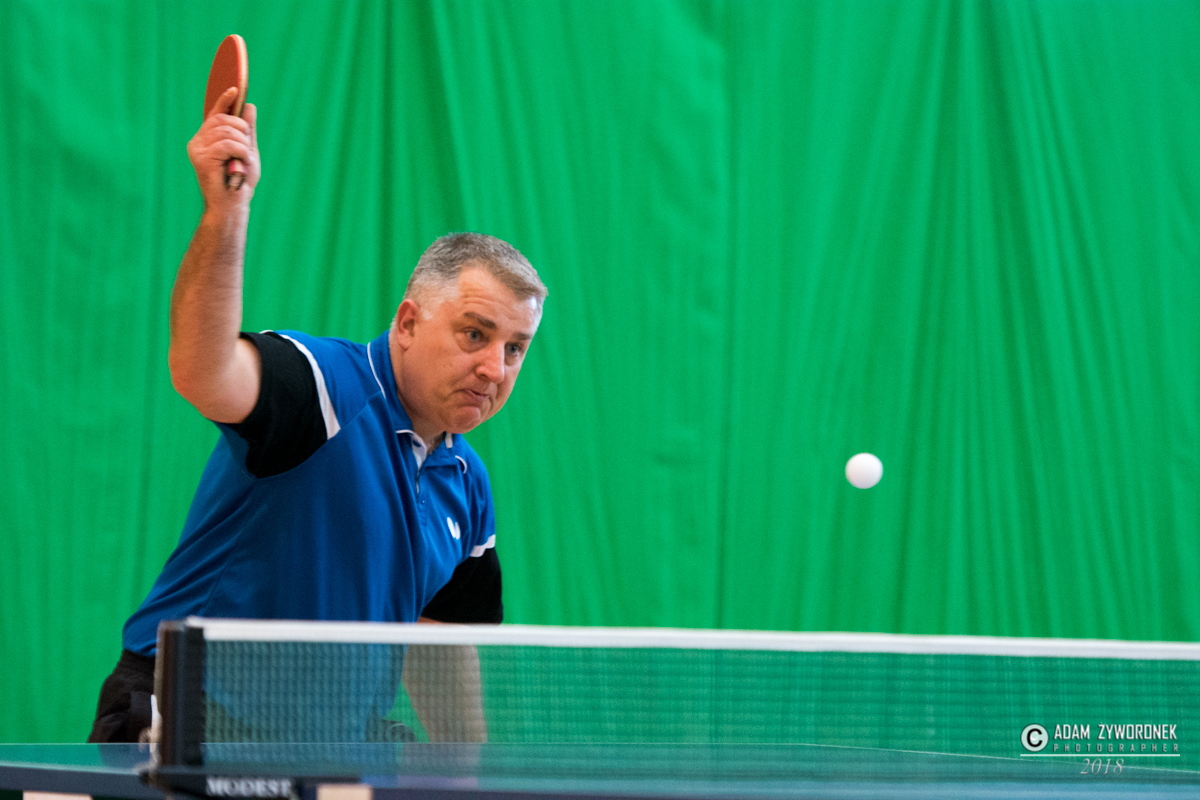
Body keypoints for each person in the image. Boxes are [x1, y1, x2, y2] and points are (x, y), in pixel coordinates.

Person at [88, 88, 546, 743]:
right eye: (475, 334)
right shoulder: (321, 388)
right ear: (408, 323)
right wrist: (227, 214)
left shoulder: (466, 484)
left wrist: (466, 775)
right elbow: (201, 370)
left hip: (328, 742)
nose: (495, 368)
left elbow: (440, 652)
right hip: (190, 718)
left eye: (515, 349)